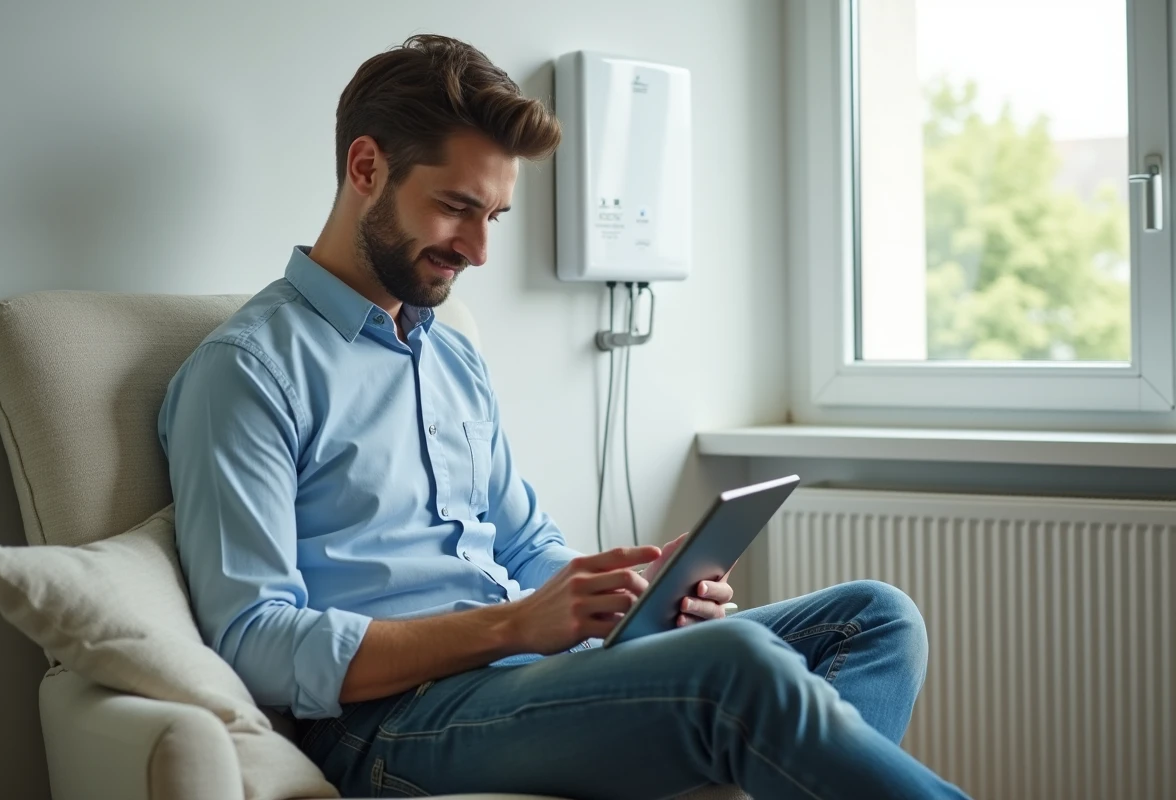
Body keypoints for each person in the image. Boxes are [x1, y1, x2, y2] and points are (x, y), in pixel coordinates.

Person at [158, 34, 970, 800]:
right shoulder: (249, 372)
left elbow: (525, 546)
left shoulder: (450, 355)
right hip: (391, 724)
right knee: (737, 664)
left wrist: (641, 587)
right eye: (456, 208)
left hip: (525, 679)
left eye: (494, 218)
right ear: (366, 166)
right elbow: (254, 640)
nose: (478, 250)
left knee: (874, 617)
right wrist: (513, 625)